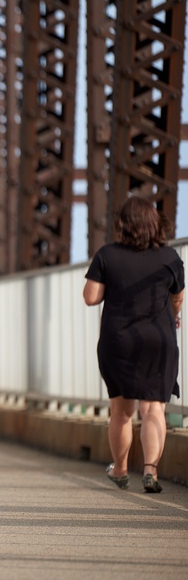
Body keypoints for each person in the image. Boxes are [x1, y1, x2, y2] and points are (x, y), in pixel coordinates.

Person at [83, 196, 184, 494]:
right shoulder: (170, 258)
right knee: (154, 409)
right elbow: (178, 297)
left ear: (123, 226)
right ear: (154, 224)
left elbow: (90, 297)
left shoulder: (107, 255)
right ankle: (151, 471)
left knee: (122, 411)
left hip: (119, 341)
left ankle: (121, 469)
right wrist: (173, 315)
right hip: (159, 339)